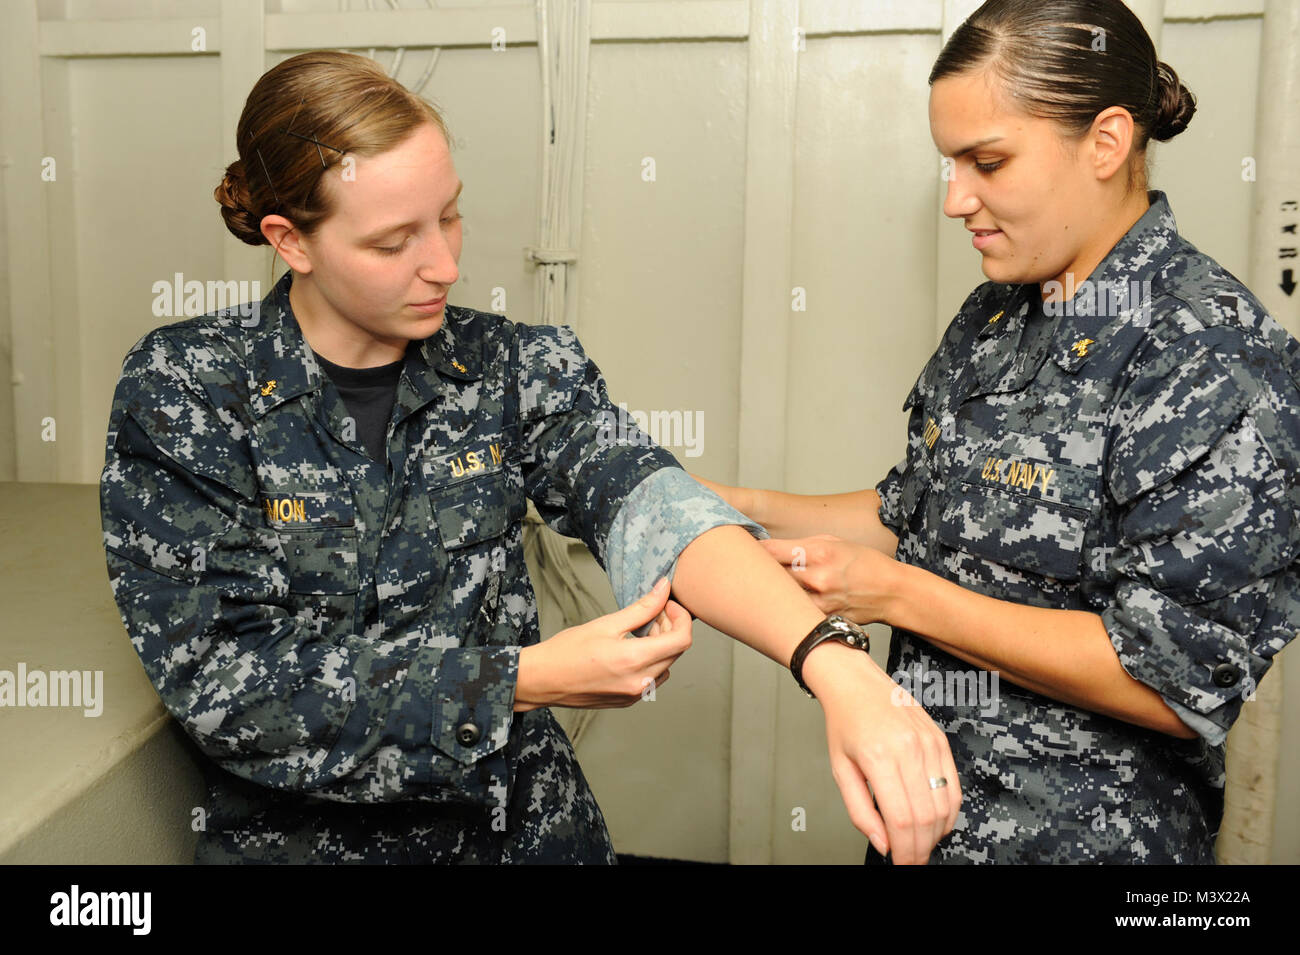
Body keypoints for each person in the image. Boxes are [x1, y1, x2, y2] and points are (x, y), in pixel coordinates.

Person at [99, 50, 961, 864]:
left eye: (450, 214)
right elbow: (231, 685)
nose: (443, 262)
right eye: (394, 241)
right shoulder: (189, 389)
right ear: (292, 241)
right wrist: (522, 679)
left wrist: (833, 662)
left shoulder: (513, 364)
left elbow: (648, 500)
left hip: (523, 831)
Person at [698, 0, 1300, 864]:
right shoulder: (999, 312)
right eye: (950, 164)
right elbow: (914, 514)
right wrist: (728, 503)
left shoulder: (1215, 355)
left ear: (1106, 142)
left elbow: (1172, 675)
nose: (956, 200)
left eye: (988, 162)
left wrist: (896, 594)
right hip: (928, 825)